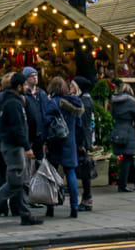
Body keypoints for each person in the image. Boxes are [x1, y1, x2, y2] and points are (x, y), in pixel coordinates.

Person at [0, 72, 42, 227]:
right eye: (25, 85)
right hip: (14, 146)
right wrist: (27, 146)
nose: (27, 87)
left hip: (9, 144)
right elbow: (18, 127)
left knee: (21, 180)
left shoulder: (6, 100)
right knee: (16, 180)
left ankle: (25, 214)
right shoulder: (13, 103)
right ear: (19, 86)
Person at [43, 75, 83, 219]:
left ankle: (50, 207)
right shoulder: (74, 103)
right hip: (70, 142)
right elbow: (79, 126)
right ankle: (74, 207)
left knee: (52, 175)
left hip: (55, 142)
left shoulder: (52, 103)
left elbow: (46, 122)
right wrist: (80, 143)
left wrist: (43, 142)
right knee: (70, 173)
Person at [111, 82, 135, 192]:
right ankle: (122, 185)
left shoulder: (114, 102)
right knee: (127, 158)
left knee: (128, 157)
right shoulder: (130, 102)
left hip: (117, 130)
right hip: (128, 131)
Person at [71, 77, 94, 211]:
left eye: (72, 86)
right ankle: (87, 197)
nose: (70, 89)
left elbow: (82, 125)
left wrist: (81, 143)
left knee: (84, 169)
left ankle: (87, 198)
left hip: (82, 141)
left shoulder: (82, 102)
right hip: (84, 139)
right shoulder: (86, 100)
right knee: (84, 168)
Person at [22, 65, 47, 160]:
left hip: (42, 133)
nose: (35, 77)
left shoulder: (42, 93)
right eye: (31, 76)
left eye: (36, 75)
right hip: (30, 134)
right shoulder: (24, 96)